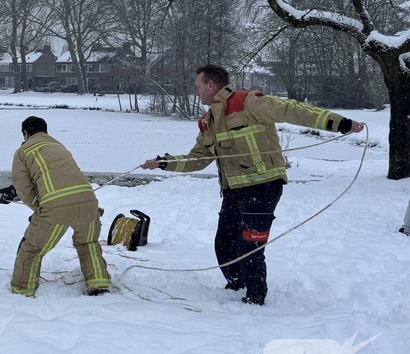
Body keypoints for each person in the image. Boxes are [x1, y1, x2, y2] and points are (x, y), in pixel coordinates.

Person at [141, 64, 365, 305]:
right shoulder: (209, 121)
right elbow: (198, 159)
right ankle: (236, 285)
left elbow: (293, 110)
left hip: (264, 187)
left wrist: (340, 123)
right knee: (224, 245)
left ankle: (256, 298)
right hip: (234, 191)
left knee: (249, 245)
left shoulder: (248, 102)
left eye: (197, 87)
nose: (196, 92)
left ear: (210, 85)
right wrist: (165, 163)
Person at [9, 116, 111, 298]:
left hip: (55, 206)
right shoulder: (58, 146)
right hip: (89, 203)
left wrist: (38, 208)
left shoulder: (23, 152)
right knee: (88, 243)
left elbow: (23, 188)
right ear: (45, 131)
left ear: (26, 133)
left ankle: (22, 289)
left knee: (32, 248)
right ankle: (99, 284)